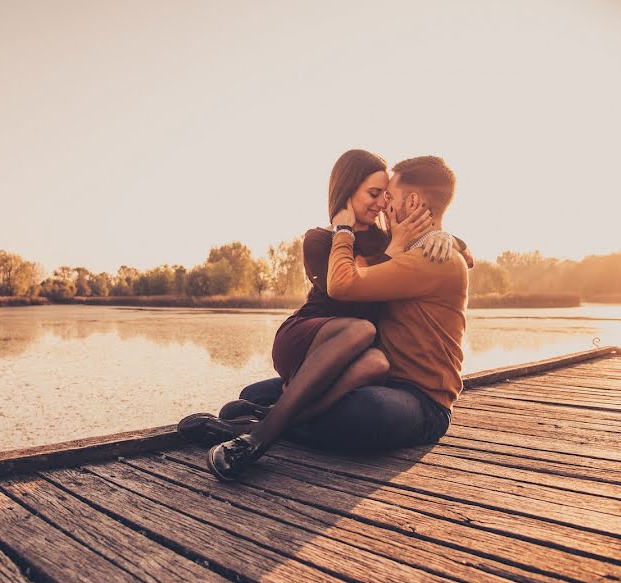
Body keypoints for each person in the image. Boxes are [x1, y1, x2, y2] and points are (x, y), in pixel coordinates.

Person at [178, 151, 470, 481]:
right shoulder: (407, 246)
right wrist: (446, 236)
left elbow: (345, 283)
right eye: (379, 195)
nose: (384, 205)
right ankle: (270, 416)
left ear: (413, 201)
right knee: (255, 394)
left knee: (364, 413)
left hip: (423, 402)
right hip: (374, 374)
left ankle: (261, 428)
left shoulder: (431, 257)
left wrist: (442, 235)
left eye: (391, 197)